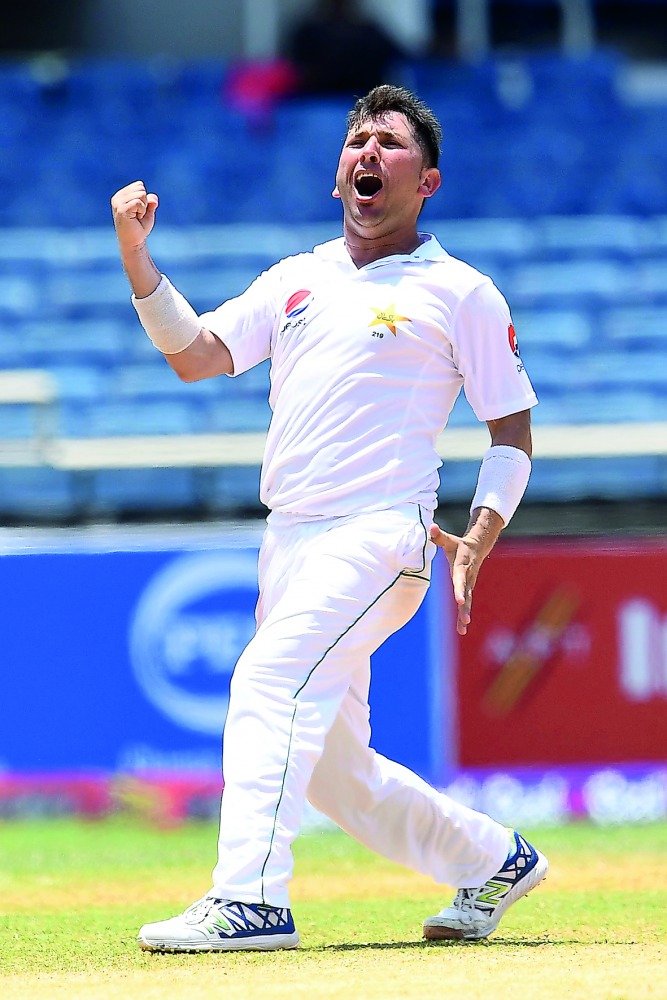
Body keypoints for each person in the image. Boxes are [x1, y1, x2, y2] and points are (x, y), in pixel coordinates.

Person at [111, 84, 547, 953]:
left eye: (389, 143)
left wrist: (483, 530)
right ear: (337, 173)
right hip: (292, 539)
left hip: (381, 533)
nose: (368, 153)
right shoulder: (297, 277)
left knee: (266, 684)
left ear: (426, 182)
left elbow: (512, 429)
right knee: (335, 776)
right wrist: (136, 256)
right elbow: (198, 356)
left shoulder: (460, 291)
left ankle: (250, 900)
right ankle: (494, 857)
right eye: (357, 140)